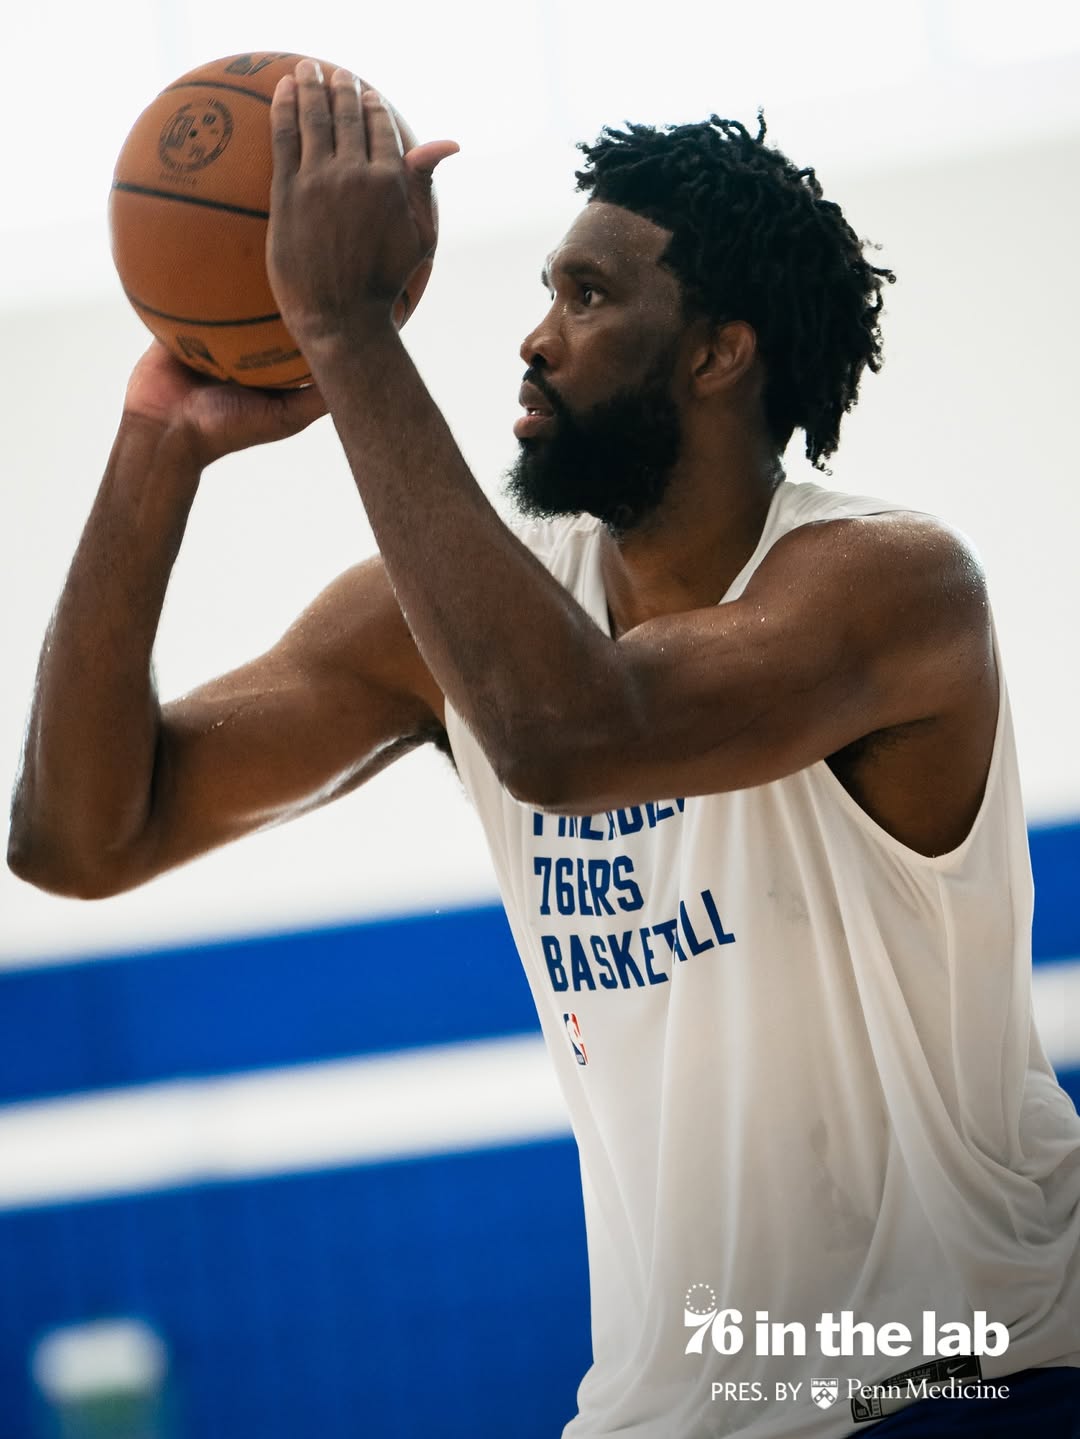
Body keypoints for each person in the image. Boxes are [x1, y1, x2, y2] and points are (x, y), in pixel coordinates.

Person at [8, 60, 1080, 1438]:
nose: (532, 337)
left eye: (586, 294)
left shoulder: (891, 590)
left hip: (967, 1379)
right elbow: (78, 842)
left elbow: (570, 733)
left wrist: (345, 329)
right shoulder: (454, 622)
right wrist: (159, 445)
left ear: (718, 350)